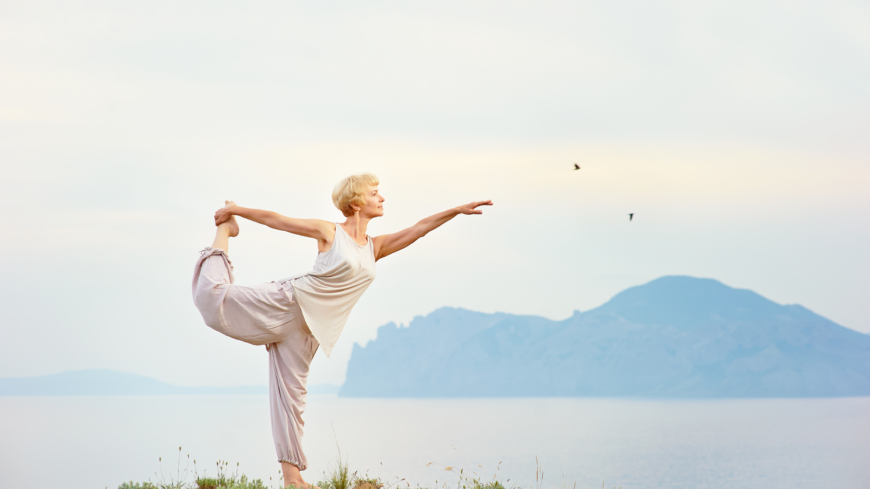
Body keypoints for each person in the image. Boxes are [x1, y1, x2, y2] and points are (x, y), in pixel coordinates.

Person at [191, 173, 492, 488]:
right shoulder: (330, 232)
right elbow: (278, 220)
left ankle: (293, 480)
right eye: (376, 193)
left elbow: (418, 230)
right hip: (289, 302)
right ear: (358, 202)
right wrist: (234, 213)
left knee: (291, 399)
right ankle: (224, 233)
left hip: (308, 332)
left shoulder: (375, 247)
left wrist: (455, 211)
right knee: (212, 300)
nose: (383, 198)